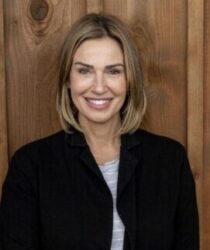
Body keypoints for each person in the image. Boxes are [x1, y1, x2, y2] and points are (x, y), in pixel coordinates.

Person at [0, 13, 199, 250]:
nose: (98, 86)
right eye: (84, 71)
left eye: (113, 71)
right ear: (68, 80)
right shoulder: (31, 166)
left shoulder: (170, 160)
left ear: (130, 80)